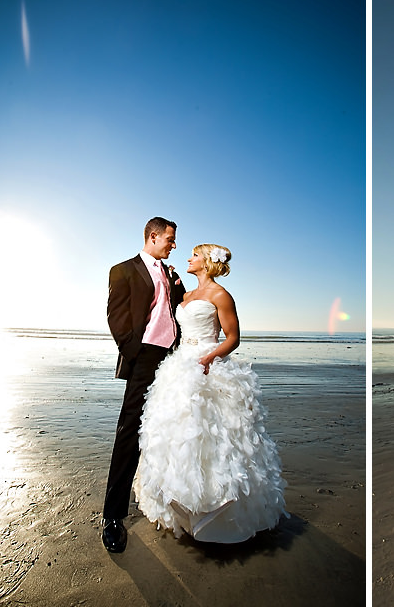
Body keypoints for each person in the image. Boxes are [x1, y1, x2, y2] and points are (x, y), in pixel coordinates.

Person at [132, 243, 287, 543]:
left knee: (214, 435)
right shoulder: (187, 294)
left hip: (208, 365)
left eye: (194, 255)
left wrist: (209, 358)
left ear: (205, 262)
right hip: (180, 366)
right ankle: (183, 504)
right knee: (179, 433)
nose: (188, 258)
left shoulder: (220, 295)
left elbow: (233, 338)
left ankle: (216, 510)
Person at [103, 217, 186, 553]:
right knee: (130, 431)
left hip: (174, 359)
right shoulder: (122, 270)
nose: (173, 244)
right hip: (144, 358)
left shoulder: (170, 273)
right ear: (153, 236)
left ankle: (168, 502)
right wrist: (135, 352)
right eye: (170, 238)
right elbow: (115, 315)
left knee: (170, 428)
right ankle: (112, 516)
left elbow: (177, 308)